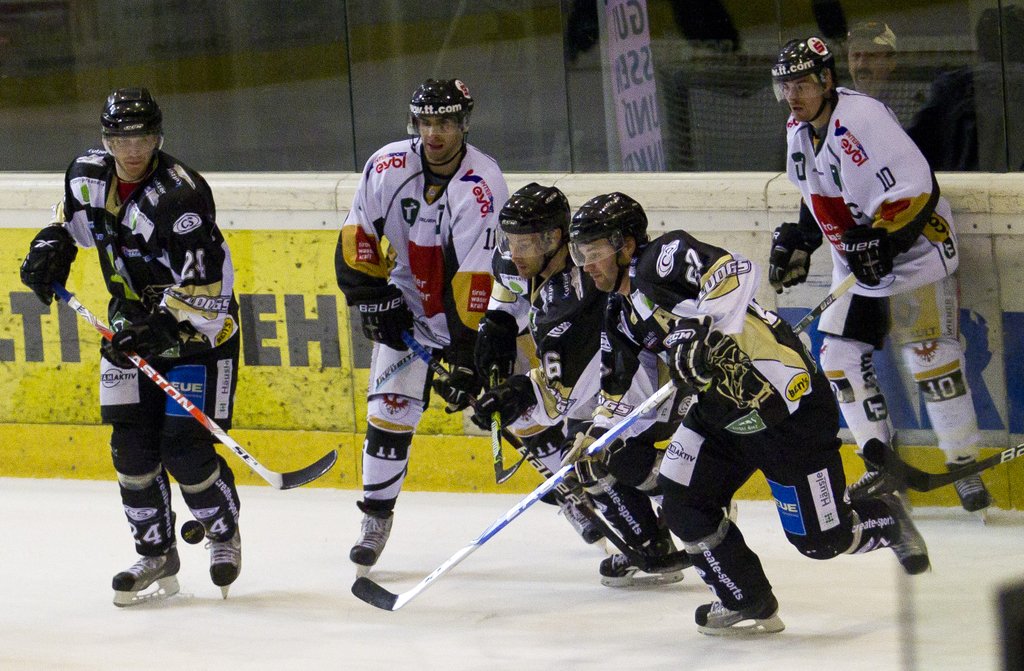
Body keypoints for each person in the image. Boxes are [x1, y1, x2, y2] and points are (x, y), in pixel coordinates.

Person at [567, 191, 930, 635]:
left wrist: (701, 326)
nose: (587, 265)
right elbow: (619, 386)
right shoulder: (619, 313)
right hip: (721, 415)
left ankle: (887, 519)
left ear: (625, 245)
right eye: (580, 254)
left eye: (594, 253)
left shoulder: (662, 257)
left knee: (822, 542)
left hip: (786, 408)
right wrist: (598, 435)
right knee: (682, 503)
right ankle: (745, 599)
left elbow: (735, 271)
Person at [19, 88, 243, 606]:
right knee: (130, 448)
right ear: (106, 140)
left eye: (142, 138)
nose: (133, 149)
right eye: (121, 139)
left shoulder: (180, 196)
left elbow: (207, 282)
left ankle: (223, 531)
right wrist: (51, 244)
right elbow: (70, 221)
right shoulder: (86, 175)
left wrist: (160, 326)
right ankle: (156, 553)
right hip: (127, 325)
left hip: (198, 332)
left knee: (184, 449)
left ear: (158, 137)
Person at [768, 36, 992, 514]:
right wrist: (803, 240)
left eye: (801, 84)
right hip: (858, 265)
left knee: (931, 359)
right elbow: (815, 194)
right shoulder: (797, 130)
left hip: (917, 256)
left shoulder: (863, 119)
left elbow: (917, 191)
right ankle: (881, 461)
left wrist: (886, 240)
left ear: (827, 80)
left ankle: (964, 465)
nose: (792, 95)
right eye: (785, 86)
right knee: (837, 361)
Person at [471, 183, 690, 587]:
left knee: (606, 454)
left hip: (649, 375)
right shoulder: (517, 261)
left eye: (524, 244)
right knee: (585, 457)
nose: (514, 253)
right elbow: (509, 293)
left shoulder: (578, 292)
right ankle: (649, 544)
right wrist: (497, 324)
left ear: (552, 239)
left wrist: (516, 395)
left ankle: (694, 498)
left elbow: (559, 397)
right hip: (598, 373)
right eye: (510, 241)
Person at [334, 78, 509, 574]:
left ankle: (586, 505)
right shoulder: (387, 165)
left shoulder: (483, 183)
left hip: (475, 317)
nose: (434, 133)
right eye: (426, 122)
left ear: (464, 124)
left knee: (524, 416)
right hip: (407, 307)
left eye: (446, 122)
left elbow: (478, 279)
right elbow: (357, 237)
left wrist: (467, 358)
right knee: (388, 414)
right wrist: (374, 299)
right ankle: (375, 519)